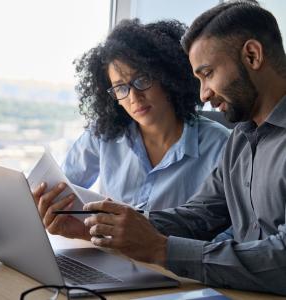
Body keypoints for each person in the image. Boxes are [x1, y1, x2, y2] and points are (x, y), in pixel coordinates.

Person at [43, 0, 286, 295]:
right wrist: (104, 230)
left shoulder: (227, 138)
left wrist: (164, 250)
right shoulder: (242, 139)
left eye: (208, 74)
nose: (204, 94)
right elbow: (200, 215)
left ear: (252, 55)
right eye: (198, 79)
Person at [34, 18, 229, 214]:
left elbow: (230, 229)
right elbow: (61, 188)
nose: (134, 97)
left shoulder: (220, 145)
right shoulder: (102, 136)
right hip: (99, 245)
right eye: (120, 88)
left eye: (142, 79)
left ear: (167, 78)